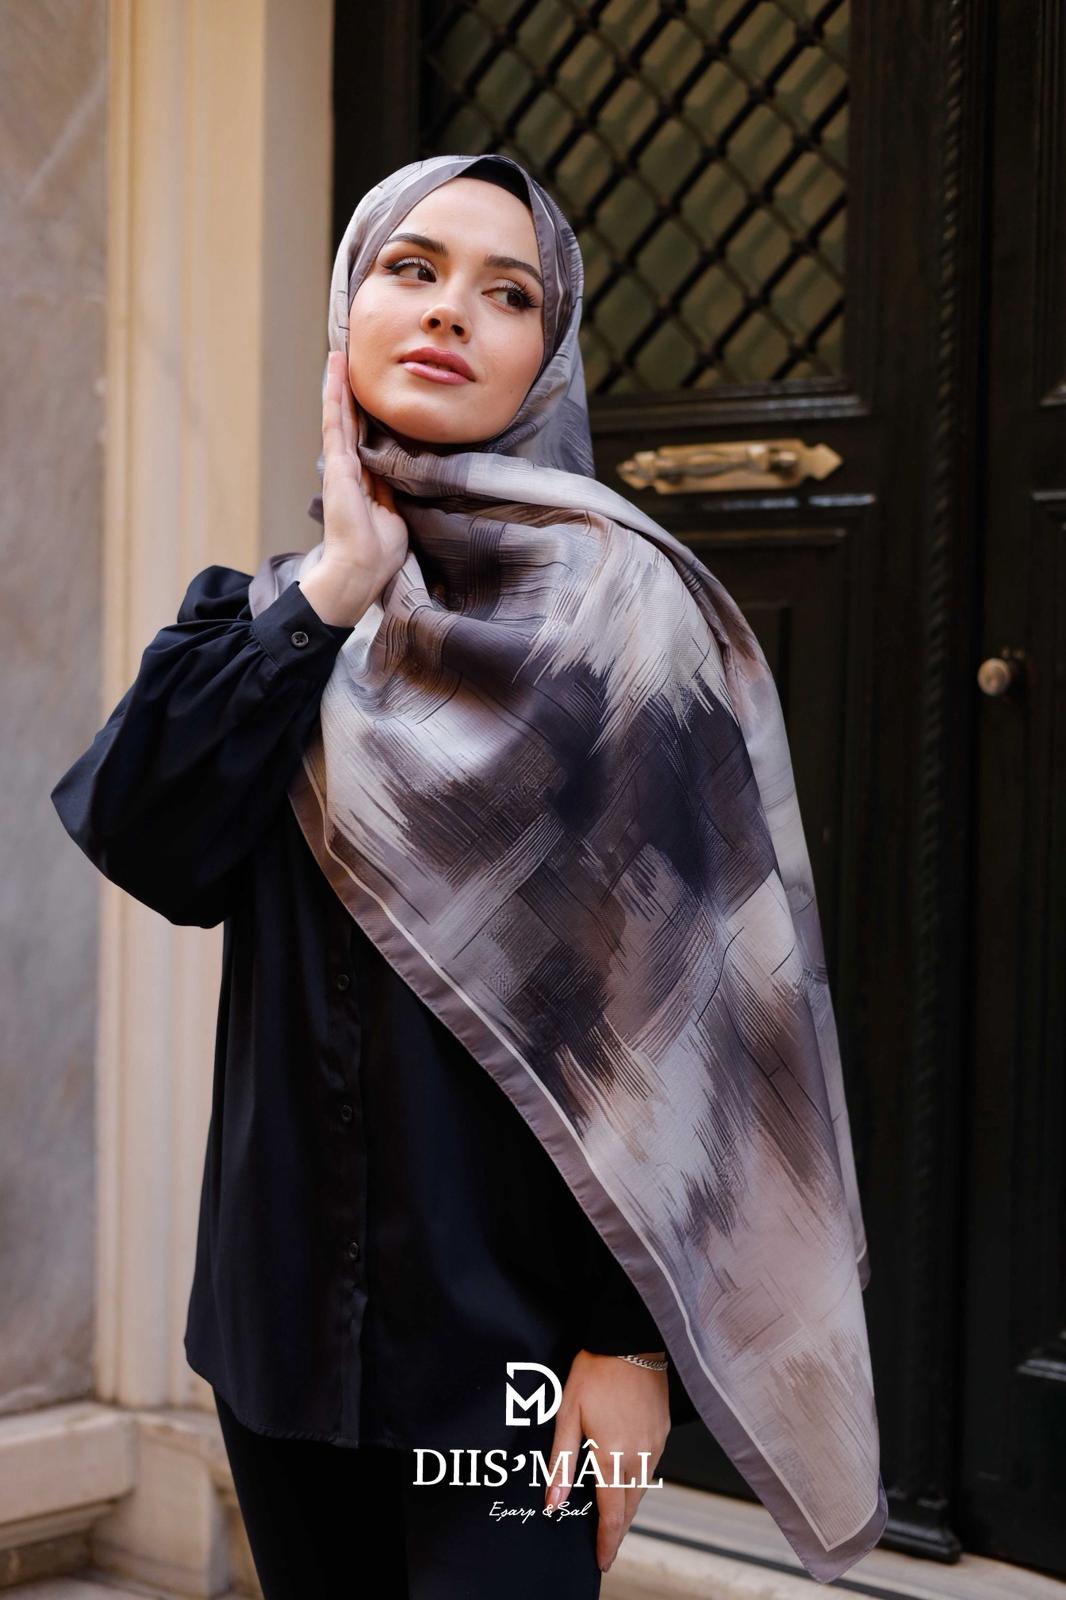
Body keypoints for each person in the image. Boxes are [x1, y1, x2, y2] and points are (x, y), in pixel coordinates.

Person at [51, 153, 888, 1596]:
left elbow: (686, 1014)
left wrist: (627, 1347)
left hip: (513, 1363)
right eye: (412, 268)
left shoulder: (629, 619)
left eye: (510, 294)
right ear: (349, 308)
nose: (451, 312)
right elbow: (148, 839)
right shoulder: (262, 624)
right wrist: (338, 589)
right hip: (280, 1340)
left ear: (547, 356)